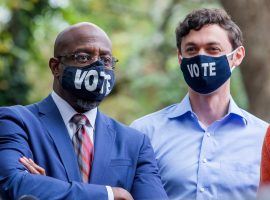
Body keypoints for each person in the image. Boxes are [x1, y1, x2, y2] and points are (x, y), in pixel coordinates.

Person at [0, 22, 168, 200]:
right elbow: (14, 184)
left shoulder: (134, 142)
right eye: (83, 57)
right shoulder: (16, 122)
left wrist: (47, 188)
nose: (97, 67)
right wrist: (110, 194)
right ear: (56, 67)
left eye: (105, 60)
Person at [130, 8, 268, 200]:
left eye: (213, 49)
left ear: (237, 56)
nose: (201, 58)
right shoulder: (145, 133)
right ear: (180, 58)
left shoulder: (264, 138)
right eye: (191, 49)